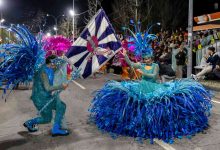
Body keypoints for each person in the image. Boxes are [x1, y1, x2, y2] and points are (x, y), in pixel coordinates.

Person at [89, 37, 211, 144]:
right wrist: (125, 55)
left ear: (151, 58)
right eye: (144, 58)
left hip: (153, 86)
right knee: (140, 103)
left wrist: (144, 73)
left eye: (148, 58)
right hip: (143, 86)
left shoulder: (155, 66)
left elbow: (153, 76)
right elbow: (131, 64)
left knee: (154, 102)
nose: (146, 60)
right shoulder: (141, 65)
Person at [23, 55, 69, 136]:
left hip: (42, 97)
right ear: (51, 63)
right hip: (41, 99)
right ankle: (31, 123)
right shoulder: (44, 72)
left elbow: (57, 68)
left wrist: (67, 61)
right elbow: (47, 88)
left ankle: (55, 128)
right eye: (55, 63)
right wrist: (61, 86)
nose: (56, 65)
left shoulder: (46, 67)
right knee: (47, 118)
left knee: (61, 106)